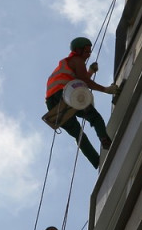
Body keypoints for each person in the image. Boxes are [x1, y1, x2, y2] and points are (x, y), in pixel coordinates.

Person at [46, 36, 118, 168]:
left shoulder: (67, 63)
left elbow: (79, 82)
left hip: (52, 103)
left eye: (89, 52)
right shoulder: (77, 60)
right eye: (86, 51)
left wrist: (90, 71)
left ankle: (97, 163)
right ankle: (104, 139)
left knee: (78, 136)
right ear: (78, 51)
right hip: (65, 95)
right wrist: (106, 90)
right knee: (95, 118)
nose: (89, 54)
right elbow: (84, 83)